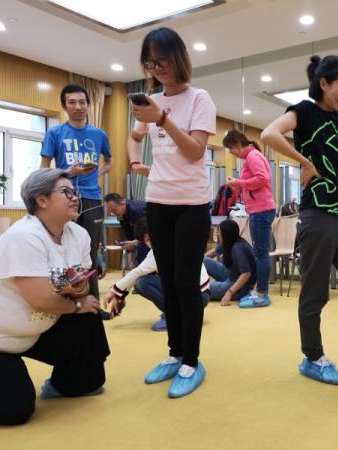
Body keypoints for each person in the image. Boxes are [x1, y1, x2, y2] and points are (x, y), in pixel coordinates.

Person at [261, 54, 338, 385]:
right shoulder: (304, 111)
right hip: (319, 212)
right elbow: (269, 134)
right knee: (315, 289)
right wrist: (305, 162)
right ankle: (313, 357)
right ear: (324, 83)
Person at [127, 27, 216, 399]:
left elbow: (195, 152)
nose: (156, 68)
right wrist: (135, 162)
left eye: (161, 60)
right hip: (158, 201)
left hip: (192, 204)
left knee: (185, 282)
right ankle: (175, 352)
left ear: (178, 58)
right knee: (166, 280)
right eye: (150, 62)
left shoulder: (199, 98)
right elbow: (135, 135)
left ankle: (191, 361)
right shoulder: (152, 100)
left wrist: (161, 119)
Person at [0, 169, 108, 425]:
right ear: (41, 200)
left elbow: (83, 288)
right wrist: (75, 304)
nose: (75, 197)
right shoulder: (24, 235)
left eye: (74, 192)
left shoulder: (78, 234)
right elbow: (40, 300)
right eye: (66, 192)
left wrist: (78, 293)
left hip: (37, 328)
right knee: (13, 411)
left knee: (89, 322)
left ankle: (63, 383)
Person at [40, 83, 113, 300]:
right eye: (72, 102)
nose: (78, 106)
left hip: (92, 198)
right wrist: (68, 172)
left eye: (82, 102)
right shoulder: (55, 132)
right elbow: (43, 169)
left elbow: (109, 162)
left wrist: (96, 174)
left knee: (90, 252)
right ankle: (66, 302)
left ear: (88, 105)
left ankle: (92, 304)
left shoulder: (99, 134)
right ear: (65, 106)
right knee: (62, 250)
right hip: (63, 197)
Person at [104, 217, 210, 331]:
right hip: (200, 294)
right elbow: (139, 272)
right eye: (149, 239)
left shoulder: (163, 250)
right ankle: (180, 314)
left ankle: (175, 316)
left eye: (155, 235)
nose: (154, 241)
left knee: (142, 283)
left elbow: (137, 272)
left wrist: (114, 291)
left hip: (197, 297)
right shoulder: (171, 239)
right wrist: (119, 294)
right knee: (143, 279)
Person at [223, 129, 276, 307]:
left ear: (236, 144)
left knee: (261, 254)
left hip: (261, 210)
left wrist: (239, 182)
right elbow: (254, 184)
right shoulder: (251, 157)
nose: (231, 153)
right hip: (259, 209)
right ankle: (260, 290)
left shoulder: (253, 157)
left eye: (231, 149)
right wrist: (237, 187)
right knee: (260, 253)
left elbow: (262, 179)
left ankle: (261, 292)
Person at [204, 219, 256, 306]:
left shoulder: (238, 248)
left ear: (225, 234)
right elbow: (212, 253)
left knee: (201, 289)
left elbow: (246, 274)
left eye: (219, 232)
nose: (217, 234)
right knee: (203, 260)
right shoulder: (231, 241)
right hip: (231, 275)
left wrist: (229, 292)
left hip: (241, 287)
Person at [104, 193, 149, 265]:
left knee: (143, 256)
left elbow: (147, 234)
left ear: (122, 203)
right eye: (110, 212)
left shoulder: (137, 210)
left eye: (114, 210)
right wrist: (130, 253)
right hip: (144, 239)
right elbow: (129, 234)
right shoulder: (121, 215)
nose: (113, 214)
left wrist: (134, 244)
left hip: (156, 236)